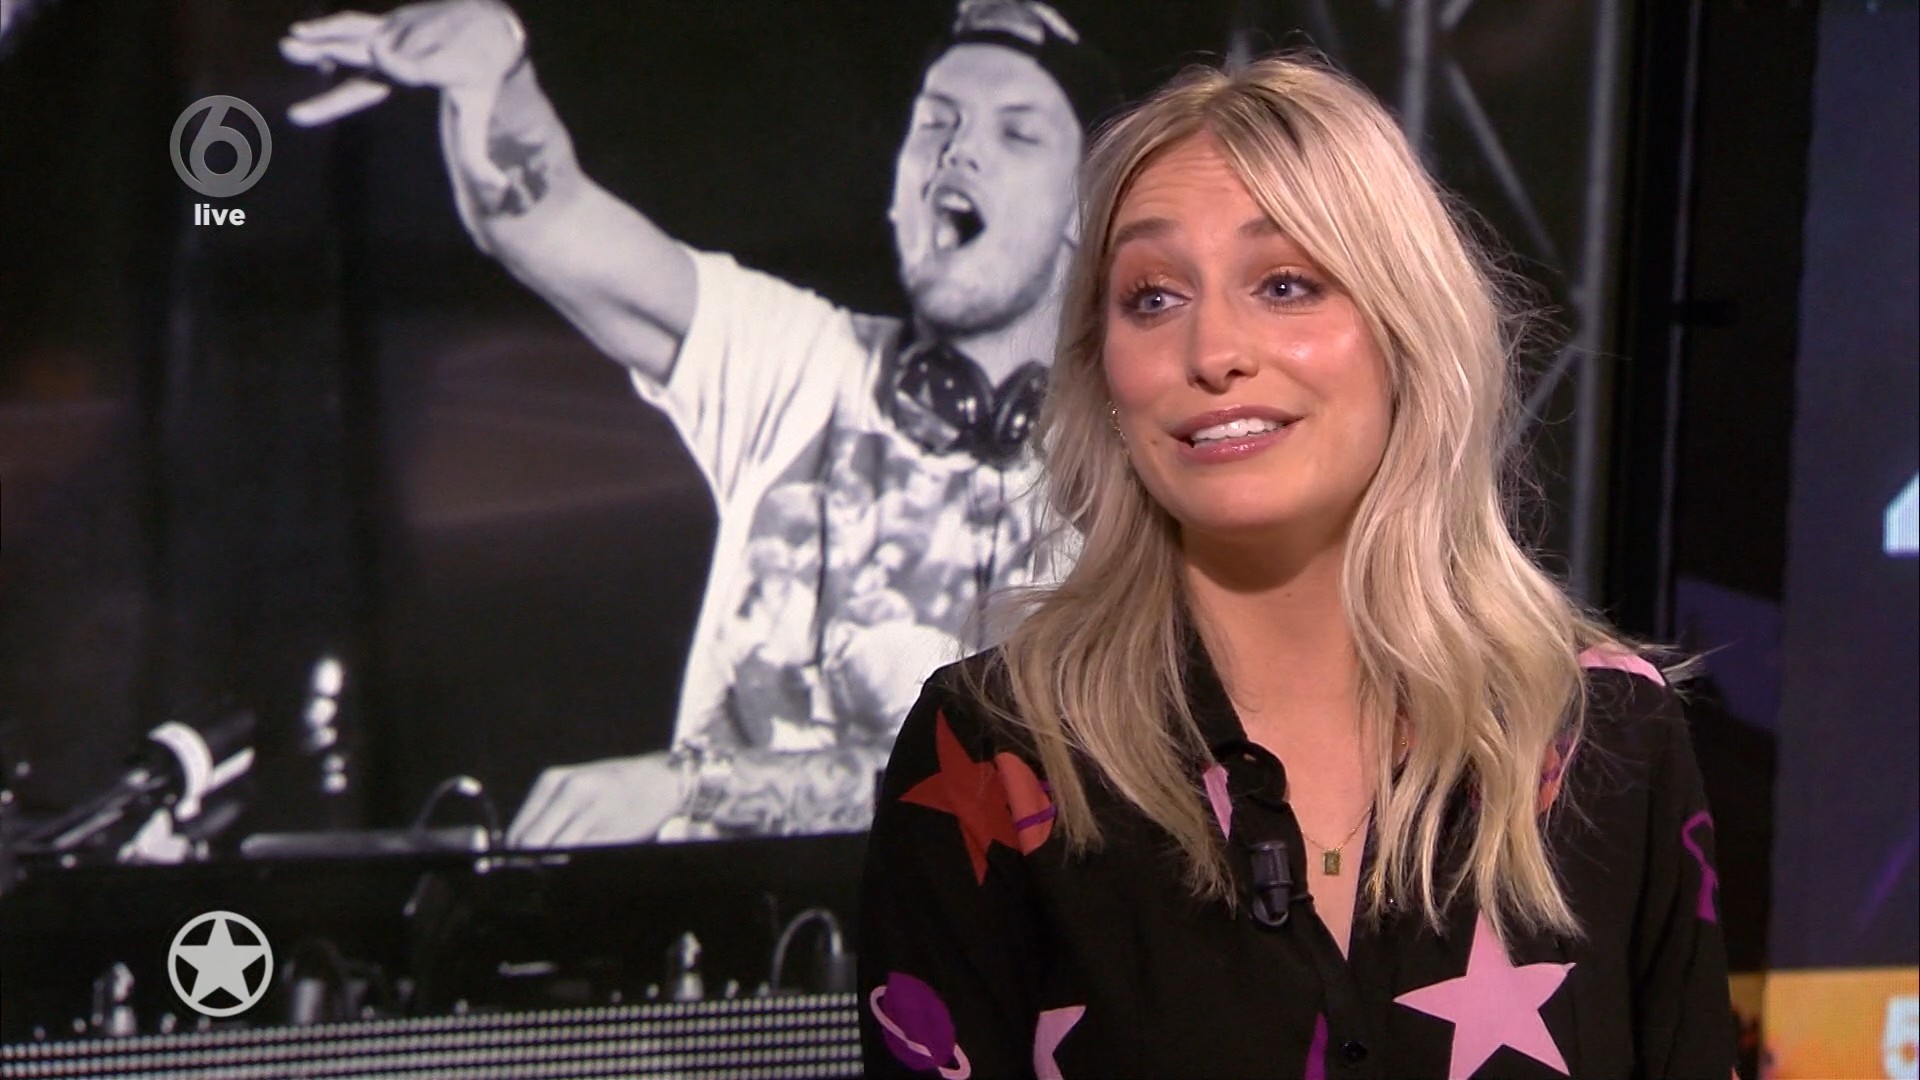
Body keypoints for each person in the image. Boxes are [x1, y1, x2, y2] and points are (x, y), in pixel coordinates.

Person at [858, 56, 1736, 1079]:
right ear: (1104, 374)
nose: (1212, 351)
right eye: (1151, 297)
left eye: (1285, 285)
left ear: (1407, 332)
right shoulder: (994, 752)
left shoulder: (1604, 734)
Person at [279, 0, 1118, 844]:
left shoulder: (1128, 474)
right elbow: (543, 217)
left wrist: (694, 787)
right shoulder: (799, 358)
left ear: (1084, 211)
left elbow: (1027, 780)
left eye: (1017, 133)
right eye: (934, 123)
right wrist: (496, 69)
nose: (958, 150)